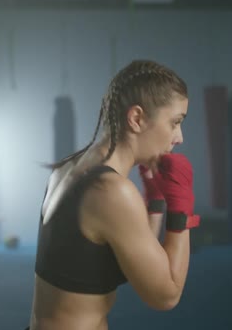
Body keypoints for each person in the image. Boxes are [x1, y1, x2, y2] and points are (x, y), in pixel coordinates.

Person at [27, 60, 200, 330]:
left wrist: (155, 204)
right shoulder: (112, 192)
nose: (179, 137)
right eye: (175, 122)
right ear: (137, 119)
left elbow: (140, 258)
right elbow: (166, 296)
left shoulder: (69, 168)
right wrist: (182, 212)